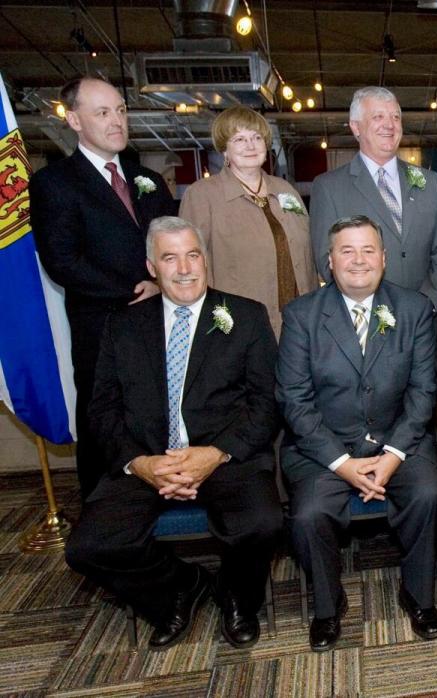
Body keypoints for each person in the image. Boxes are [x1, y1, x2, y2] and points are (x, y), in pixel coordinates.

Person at [64, 217, 283, 650]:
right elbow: (102, 408)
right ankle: (179, 588)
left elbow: (267, 402)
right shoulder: (122, 326)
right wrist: (141, 463)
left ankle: (238, 596)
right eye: (170, 257)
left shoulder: (247, 315)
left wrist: (216, 454)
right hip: (148, 458)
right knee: (87, 547)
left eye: (193, 255)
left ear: (206, 260)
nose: (184, 268)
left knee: (262, 522)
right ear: (152, 267)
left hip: (225, 456)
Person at [277, 215, 437, 651]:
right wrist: (343, 464)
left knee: (427, 494)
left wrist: (391, 456)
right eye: (346, 251)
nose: (358, 260)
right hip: (324, 446)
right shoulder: (301, 315)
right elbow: (294, 400)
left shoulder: (413, 309)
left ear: (384, 259)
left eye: (368, 250)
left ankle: (419, 594)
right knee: (310, 513)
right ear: (330, 261)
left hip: (399, 439)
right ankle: (328, 606)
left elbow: (424, 392)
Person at [30, 76, 175, 498]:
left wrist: (159, 284)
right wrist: (135, 287)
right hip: (102, 329)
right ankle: (102, 511)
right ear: (73, 119)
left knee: (161, 416)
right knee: (103, 421)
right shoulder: (54, 183)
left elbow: (172, 238)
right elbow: (63, 261)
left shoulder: (148, 178)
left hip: (159, 322)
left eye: (121, 110)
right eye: (103, 112)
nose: (116, 121)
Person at [179, 105, 317, 337]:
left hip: (298, 322)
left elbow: (309, 251)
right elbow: (190, 264)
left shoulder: (286, 190)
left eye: (257, 137)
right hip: (238, 326)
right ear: (224, 150)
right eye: (240, 139)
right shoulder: (202, 195)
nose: (251, 145)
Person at [308, 86, 437, 310]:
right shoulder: (328, 187)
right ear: (356, 127)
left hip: (425, 317)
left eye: (395, 117)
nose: (390, 125)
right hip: (365, 319)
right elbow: (326, 259)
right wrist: (366, 307)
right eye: (378, 117)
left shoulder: (429, 181)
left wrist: (428, 302)